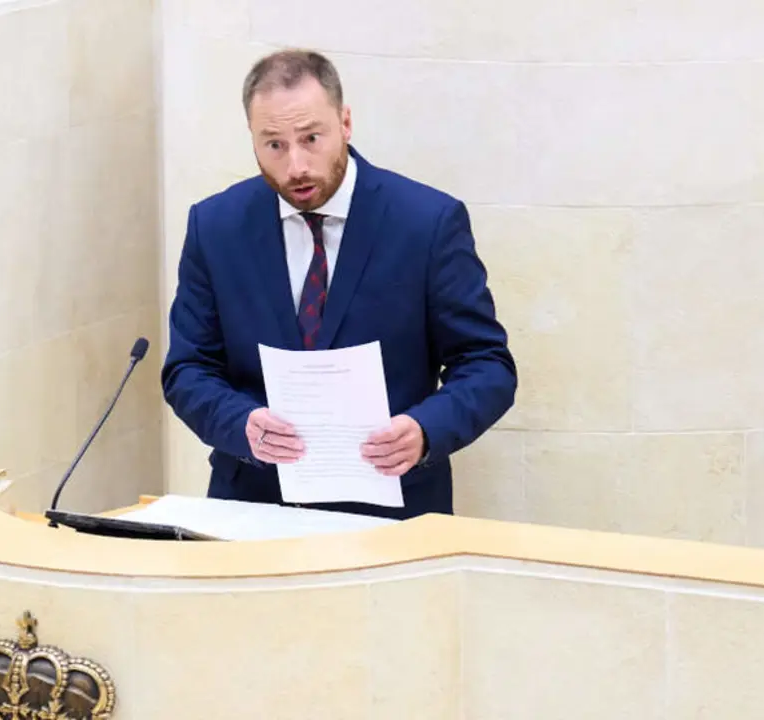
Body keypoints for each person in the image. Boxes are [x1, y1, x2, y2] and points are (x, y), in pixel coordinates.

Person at [160, 49, 517, 519]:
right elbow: (188, 369)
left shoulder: (426, 223)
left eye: (311, 138)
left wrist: (424, 429)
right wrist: (241, 424)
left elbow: (487, 364)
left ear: (345, 123)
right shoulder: (215, 225)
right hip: (253, 508)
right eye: (274, 145)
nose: (296, 166)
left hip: (394, 514)